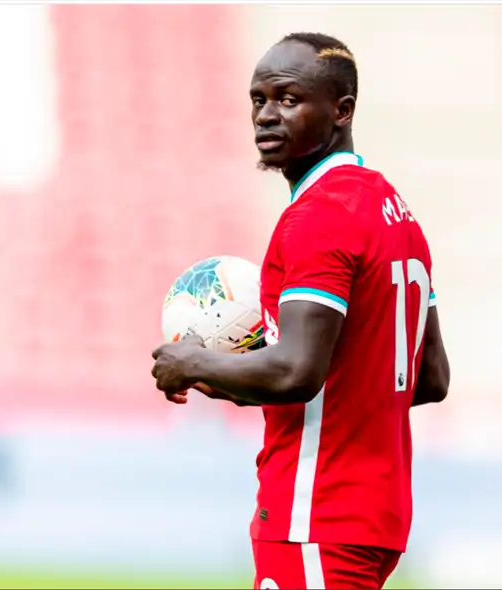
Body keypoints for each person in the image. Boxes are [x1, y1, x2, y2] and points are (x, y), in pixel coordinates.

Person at [151, 32, 450, 589]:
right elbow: (429, 377)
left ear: (342, 111)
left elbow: (296, 371)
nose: (265, 116)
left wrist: (192, 364)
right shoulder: (397, 213)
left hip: (316, 512)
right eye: (258, 100)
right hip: (375, 515)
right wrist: (239, 376)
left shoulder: (319, 216)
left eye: (288, 99)